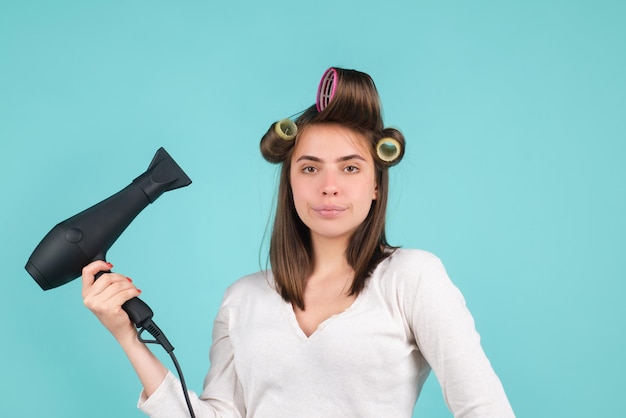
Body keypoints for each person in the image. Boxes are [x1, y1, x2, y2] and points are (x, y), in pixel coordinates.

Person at [82, 67, 515, 417]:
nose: (329, 186)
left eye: (350, 168)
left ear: (377, 185)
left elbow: (484, 408)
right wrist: (127, 338)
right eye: (310, 168)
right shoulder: (243, 299)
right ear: (290, 183)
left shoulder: (411, 277)